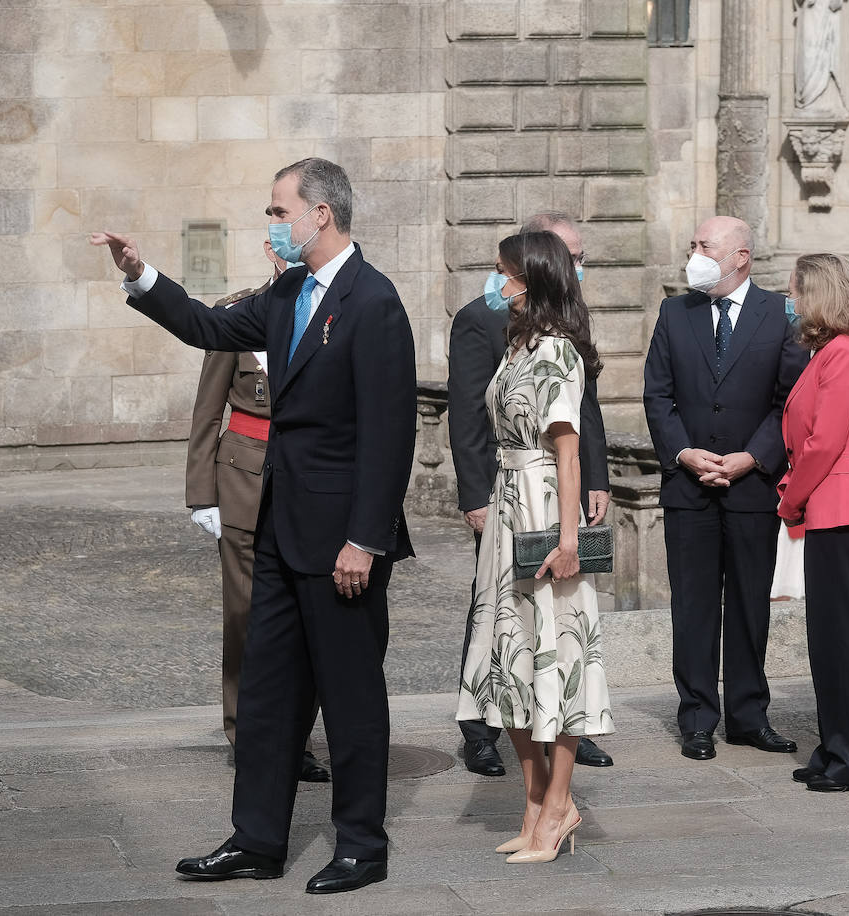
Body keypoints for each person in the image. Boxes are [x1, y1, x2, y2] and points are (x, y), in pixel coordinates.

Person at [90, 156, 417, 895]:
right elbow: (207, 325)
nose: (271, 222)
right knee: (268, 694)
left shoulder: (375, 301)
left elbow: (390, 436)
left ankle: (363, 845)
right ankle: (258, 839)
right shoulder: (289, 290)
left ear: (319, 214)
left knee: (352, 697)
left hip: (342, 543)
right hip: (278, 529)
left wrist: (364, 540)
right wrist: (142, 274)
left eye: (279, 210)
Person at [455, 230, 613, 864]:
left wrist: (570, 538)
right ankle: (535, 801)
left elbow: (568, 454)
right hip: (505, 506)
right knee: (509, 657)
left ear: (533, 278)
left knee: (557, 651)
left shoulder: (559, 353)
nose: (501, 284)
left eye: (507, 274)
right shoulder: (516, 346)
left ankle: (557, 809)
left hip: (545, 504)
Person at [643, 216, 807, 762]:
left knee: (747, 605)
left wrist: (752, 457)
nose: (695, 253)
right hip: (688, 487)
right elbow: (657, 395)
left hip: (751, 487)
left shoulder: (778, 314)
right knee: (691, 606)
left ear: (740, 256)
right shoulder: (675, 311)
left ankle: (747, 715)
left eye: (704, 245)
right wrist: (685, 453)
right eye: (693, 244)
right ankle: (696, 717)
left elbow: (789, 400)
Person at [185, 239, 329, 783]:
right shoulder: (237, 315)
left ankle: (295, 738)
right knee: (246, 618)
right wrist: (203, 492)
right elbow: (207, 410)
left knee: (307, 621)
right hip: (244, 483)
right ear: (272, 254)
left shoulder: (330, 317)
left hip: (306, 486)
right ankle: (246, 732)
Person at [778, 253, 849, 792]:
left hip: (843, 507)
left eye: (797, 291)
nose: (791, 300)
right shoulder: (832, 352)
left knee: (843, 639)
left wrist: (791, 499)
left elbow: (824, 442)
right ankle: (835, 746)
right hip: (836, 507)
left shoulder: (844, 354)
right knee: (828, 638)